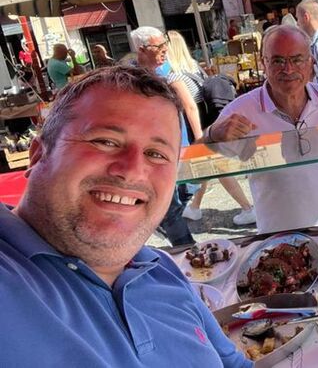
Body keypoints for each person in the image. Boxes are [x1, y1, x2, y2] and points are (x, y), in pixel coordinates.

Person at [0, 66, 251, 367]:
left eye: (156, 154)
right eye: (105, 141)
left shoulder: (160, 270)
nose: (132, 170)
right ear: (39, 154)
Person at [204, 25, 318, 234]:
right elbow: (200, 164)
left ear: (310, 62)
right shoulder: (240, 110)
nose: (288, 69)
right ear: (264, 63)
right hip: (278, 236)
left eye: (297, 59)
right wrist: (212, 135)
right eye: (278, 60)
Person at [165, 31, 256, 225]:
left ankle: (248, 209)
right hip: (209, 123)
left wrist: (200, 139)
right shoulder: (194, 67)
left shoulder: (174, 74)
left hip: (199, 127)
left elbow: (189, 107)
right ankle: (195, 208)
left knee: (218, 168)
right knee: (206, 168)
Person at [129, 26, 193, 246]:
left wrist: (200, 137)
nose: (165, 50)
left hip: (179, 143)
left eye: (165, 44)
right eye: (159, 46)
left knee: (188, 189)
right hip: (150, 149)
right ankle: (187, 248)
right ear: (142, 49)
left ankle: (157, 220)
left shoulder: (168, 69)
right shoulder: (130, 77)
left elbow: (189, 106)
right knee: (170, 204)